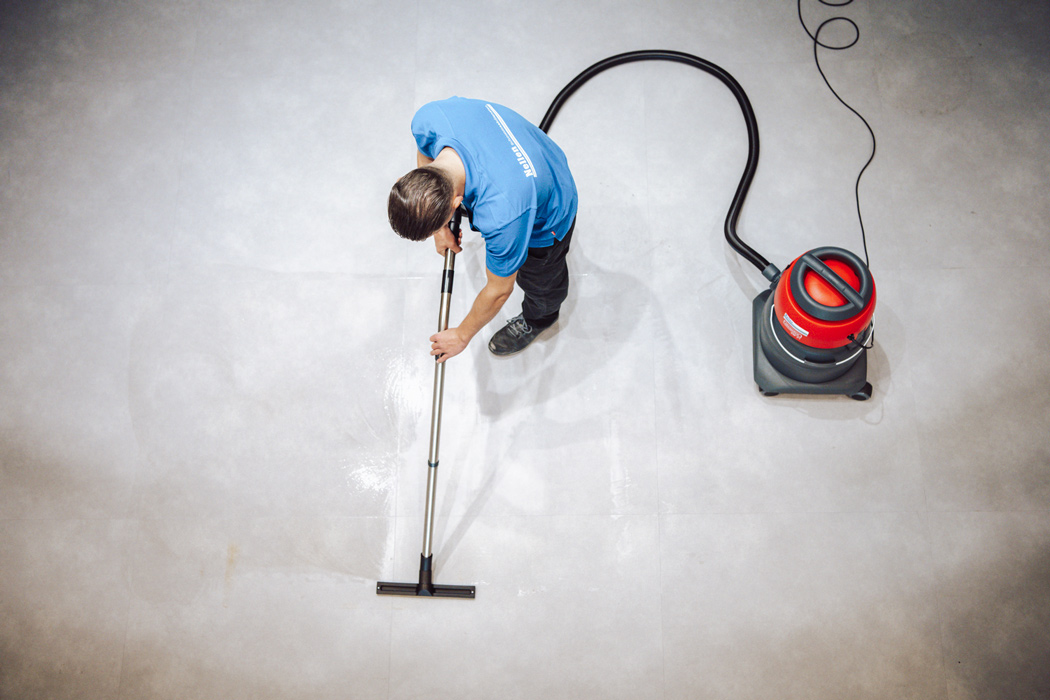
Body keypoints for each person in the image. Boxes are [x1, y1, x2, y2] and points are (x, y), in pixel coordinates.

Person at [388, 97, 578, 363]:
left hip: (551, 207)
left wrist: (462, 335)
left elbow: (499, 290)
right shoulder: (429, 118)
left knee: (540, 280)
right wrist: (440, 228)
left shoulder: (504, 215)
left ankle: (541, 317)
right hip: (524, 156)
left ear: (456, 203)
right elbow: (425, 152)